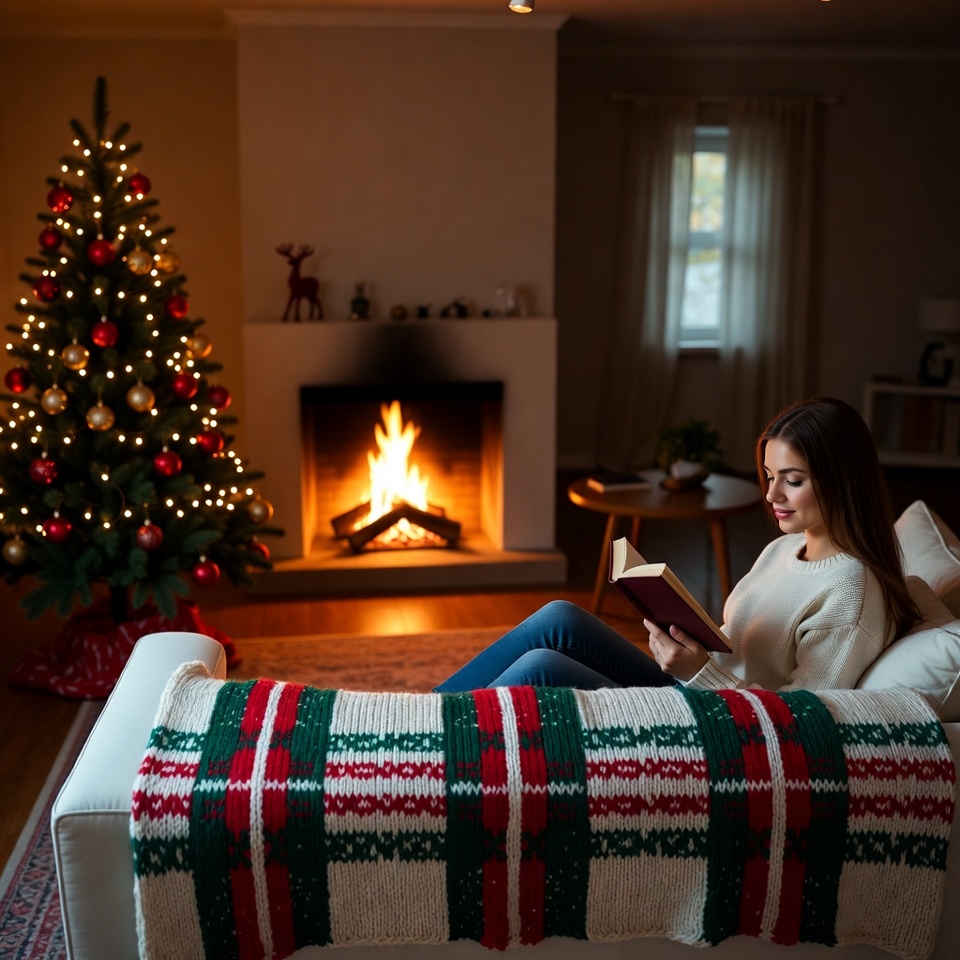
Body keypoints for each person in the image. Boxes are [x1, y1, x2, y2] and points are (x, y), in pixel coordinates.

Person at [435, 397, 918, 694]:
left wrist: (700, 673)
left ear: (842, 481)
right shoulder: (784, 550)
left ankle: (432, 752)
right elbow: (738, 645)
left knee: (542, 668)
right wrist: (686, 634)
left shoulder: (851, 592)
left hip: (718, 730)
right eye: (770, 477)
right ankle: (423, 717)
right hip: (695, 690)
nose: (771, 496)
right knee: (561, 617)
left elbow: (801, 722)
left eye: (791, 481)